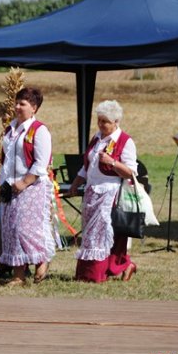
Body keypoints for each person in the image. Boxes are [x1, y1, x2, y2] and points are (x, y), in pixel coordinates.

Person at [68, 100, 138, 283]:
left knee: (99, 233)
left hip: (110, 191)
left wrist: (112, 162)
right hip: (91, 190)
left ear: (116, 122)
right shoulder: (96, 138)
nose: (101, 124)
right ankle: (87, 273)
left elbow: (130, 171)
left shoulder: (125, 141)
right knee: (89, 233)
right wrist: (76, 183)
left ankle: (96, 274)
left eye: (105, 121)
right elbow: (87, 166)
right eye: (99, 120)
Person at [0, 87, 55, 286]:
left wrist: (24, 182)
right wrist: (3, 182)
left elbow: (42, 162)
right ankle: (18, 275)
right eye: (17, 102)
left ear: (34, 108)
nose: (17, 107)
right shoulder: (10, 129)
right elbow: (5, 159)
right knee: (12, 229)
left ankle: (41, 259)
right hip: (10, 186)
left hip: (32, 186)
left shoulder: (39, 130)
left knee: (25, 229)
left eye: (23, 103)